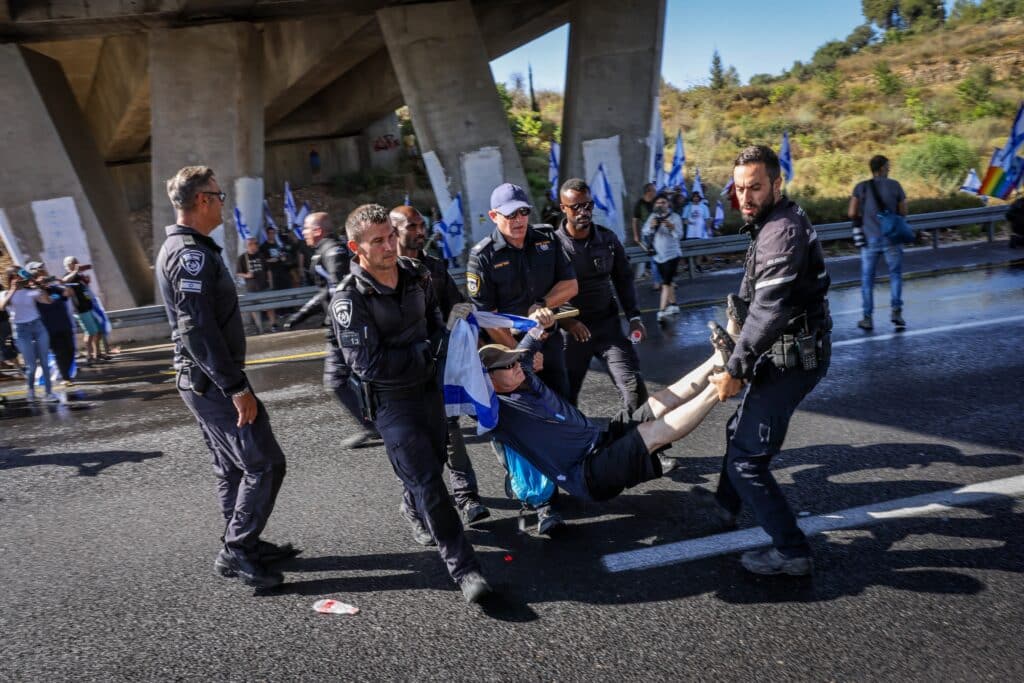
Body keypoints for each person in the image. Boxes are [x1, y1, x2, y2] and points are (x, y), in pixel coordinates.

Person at [331, 203, 491, 604]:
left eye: (390, 236)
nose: (389, 246)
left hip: (430, 390)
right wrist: (426, 351)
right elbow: (367, 364)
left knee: (432, 465)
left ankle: (411, 506)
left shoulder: (417, 273)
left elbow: (438, 322)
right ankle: (465, 569)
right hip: (391, 402)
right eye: (378, 241)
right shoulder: (348, 299)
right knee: (430, 484)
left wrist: (442, 347)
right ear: (356, 248)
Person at [156, 166, 296, 589]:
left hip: (204, 379)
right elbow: (196, 329)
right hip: (212, 382)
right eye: (218, 196)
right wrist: (235, 388)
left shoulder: (190, 248)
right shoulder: (190, 255)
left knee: (232, 468)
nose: (222, 203)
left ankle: (242, 543)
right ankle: (238, 548)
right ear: (202, 200)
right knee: (264, 463)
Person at [701, 145, 832, 576]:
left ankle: (792, 552)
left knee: (747, 460)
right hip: (780, 351)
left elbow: (769, 308)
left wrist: (735, 370)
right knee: (736, 430)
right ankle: (724, 506)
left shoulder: (782, 231)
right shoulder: (770, 222)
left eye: (755, 187)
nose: (745, 197)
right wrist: (732, 338)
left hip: (793, 358)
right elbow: (751, 296)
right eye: (739, 189)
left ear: (777, 183)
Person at [469, 307, 731, 504]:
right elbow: (457, 391)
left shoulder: (521, 370)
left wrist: (542, 319)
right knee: (649, 433)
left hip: (600, 440)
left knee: (656, 402)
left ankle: (718, 360)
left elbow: (534, 334)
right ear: (489, 381)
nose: (516, 364)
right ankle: (716, 388)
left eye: (515, 360)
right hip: (587, 473)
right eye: (507, 365)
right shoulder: (497, 414)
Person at [467, 182, 579, 535]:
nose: (518, 220)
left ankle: (559, 481)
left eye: (523, 212)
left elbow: (570, 285)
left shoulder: (546, 238)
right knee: (523, 425)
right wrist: (523, 355)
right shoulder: (483, 256)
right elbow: (486, 318)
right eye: (510, 214)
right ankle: (540, 502)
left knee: (559, 413)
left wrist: (542, 305)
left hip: (551, 345)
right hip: (509, 353)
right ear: (493, 216)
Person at [391, 204, 490, 533]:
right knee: (416, 446)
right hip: (402, 375)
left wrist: (454, 336)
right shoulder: (385, 273)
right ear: (393, 232)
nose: (421, 231)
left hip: (439, 365)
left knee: (452, 430)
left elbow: (459, 305)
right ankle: (415, 506)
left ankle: (467, 497)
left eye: (422, 224)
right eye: (412, 226)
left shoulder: (434, 266)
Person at [553, 178, 649, 413]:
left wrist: (634, 317)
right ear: (563, 208)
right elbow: (541, 294)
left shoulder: (608, 239)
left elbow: (624, 279)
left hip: (607, 327)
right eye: (576, 207)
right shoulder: (552, 247)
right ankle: (575, 436)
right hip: (572, 332)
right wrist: (567, 322)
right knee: (565, 397)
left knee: (634, 389)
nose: (583, 212)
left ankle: (633, 436)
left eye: (588, 205)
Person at [283, 212, 376, 449]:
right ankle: (380, 422)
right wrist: (299, 316)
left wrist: (335, 330)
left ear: (318, 231)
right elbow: (327, 292)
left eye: (306, 228)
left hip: (345, 328)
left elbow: (341, 293)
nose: (303, 232)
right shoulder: (326, 251)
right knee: (359, 377)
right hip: (346, 325)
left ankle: (373, 426)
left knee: (337, 381)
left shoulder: (333, 252)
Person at [849, 155, 908, 331]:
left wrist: (866, 218)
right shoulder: (895, 185)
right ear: (882, 168)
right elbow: (904, 211)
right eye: (888, 166)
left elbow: (851, 212)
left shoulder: (861, 187)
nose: (889, 169)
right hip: (892, 239)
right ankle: (896, 312)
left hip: (870, 240)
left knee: (867, 279)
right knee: (895, 275)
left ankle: (867, 318)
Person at [0, 266, 62, 403]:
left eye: (21, 276)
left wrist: (40, 286)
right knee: (31, 366)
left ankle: (49, 393)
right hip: (21, 331)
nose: (20, 279)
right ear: (11, 278)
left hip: (38, 327)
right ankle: (31, 391)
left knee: (45, 362)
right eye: (17, 276)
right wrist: (13, 289)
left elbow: (48, 300)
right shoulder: (5, 293)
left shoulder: (31, 291)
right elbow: (2, 307)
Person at [26, 262, 76, 385]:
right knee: (59, 352)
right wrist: (40, 287)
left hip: (65, 325)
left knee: (70, 350)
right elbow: (46, 300)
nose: (43, 277)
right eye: (40, 275)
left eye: (44, 274)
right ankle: (66, 378)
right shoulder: (34, 294)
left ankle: (65, 374)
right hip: (50, 329)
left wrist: (62, 283)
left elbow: (69, 293)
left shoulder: (54, 288)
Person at [642, 193, 684, 322]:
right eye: (658, 203)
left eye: (663, 202)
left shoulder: (675, 217)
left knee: (665, 283)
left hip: (672, 255)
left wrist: (671, 228)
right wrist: (651, 226)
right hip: (658, 255)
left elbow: (679, 235)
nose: (660, 205)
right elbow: (645, 231)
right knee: (668, 282)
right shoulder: (652, 217)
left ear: (668, 204)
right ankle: (674, 305)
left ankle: (661, 311)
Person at [61, 256, 102, 364]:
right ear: (68, 265)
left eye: (76, 261)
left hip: (89, 306)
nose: (76, 263)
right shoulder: (67, 276)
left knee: (97, 331)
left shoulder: (79, 276)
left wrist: (86, 281)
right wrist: (75, 271)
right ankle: (89, 356)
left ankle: (97, 354)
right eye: (73, 262)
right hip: (80, 309)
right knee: (90, 332)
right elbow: (64, 281)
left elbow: (84, 289)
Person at [236, 237, 274, 334]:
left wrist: (270, 282)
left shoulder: (261, 255)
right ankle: (259, 328)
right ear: (247, 246)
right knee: (255, 309)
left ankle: (273, 325)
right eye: (251, 244)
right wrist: (247, 275)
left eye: (255, 244)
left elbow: (268, 270)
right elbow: (238, 273)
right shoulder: (242, 258)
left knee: (269, 306)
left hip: (264, 286)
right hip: (252, 288)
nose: (254, 246)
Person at [260, 226, 295, 330]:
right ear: (267, 234)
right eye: (270, 233)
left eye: (273, 233)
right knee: (276, 291)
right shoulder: (264, 246)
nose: (272, 235)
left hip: (282, 270)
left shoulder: (278, 244)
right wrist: (271, 260)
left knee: (286, 288)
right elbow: (263, 260)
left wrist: (283, 258)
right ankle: (280, 312)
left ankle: (289, 310)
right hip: (272, 272)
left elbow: (284, 255)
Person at [631, 182, 661, 287]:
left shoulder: (657, 202)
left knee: (663, 256)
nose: (656, 192)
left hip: (660, 233)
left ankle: (666, 281)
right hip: (648, 235)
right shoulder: (640, 204)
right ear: (649, 192)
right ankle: (657, 282)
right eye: (654, 190)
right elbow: (635, 221)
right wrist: (636, 235)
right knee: (654, 257)